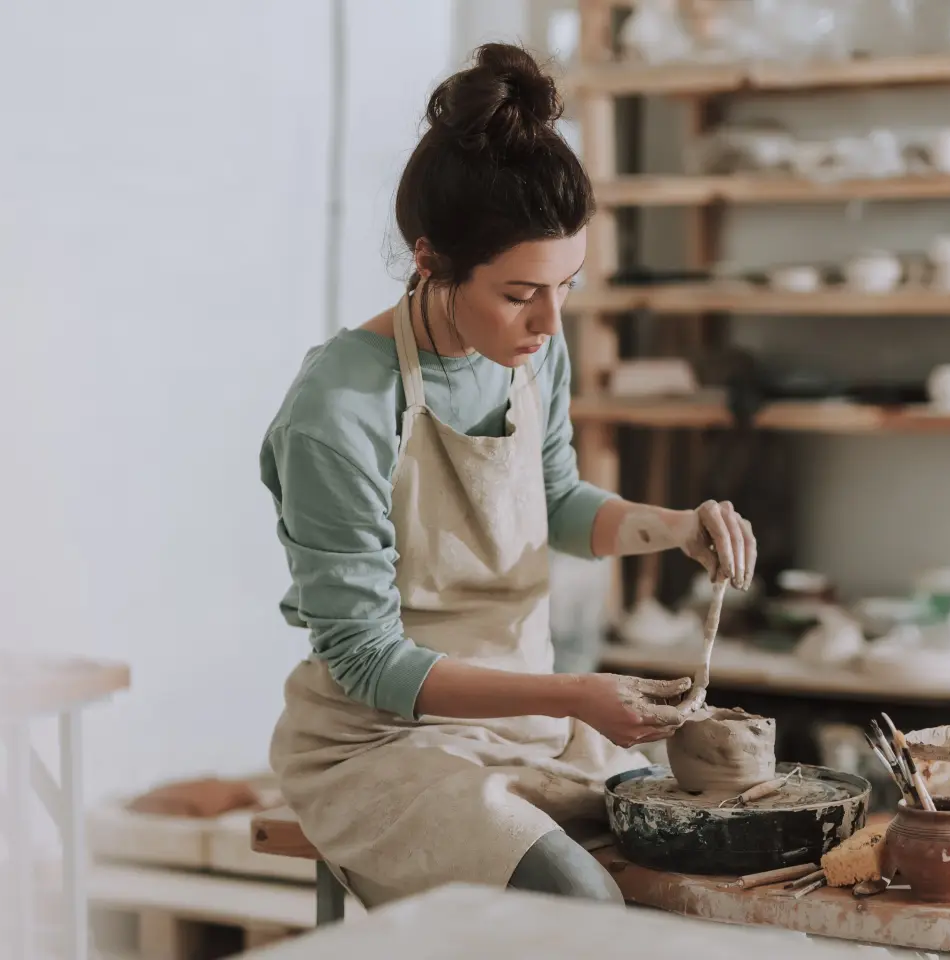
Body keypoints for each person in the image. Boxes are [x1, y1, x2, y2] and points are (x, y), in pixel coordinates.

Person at [260, 43, 758, 908]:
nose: (550, 321)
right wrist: (576, 693)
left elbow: (557, 502)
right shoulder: (338, 407)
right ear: (431, 261)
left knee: (704, 866)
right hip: (383, 745)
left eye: (568, 283)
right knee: (581, 898)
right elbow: (368, 659)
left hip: (533, 726)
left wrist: (672, 525)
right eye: (521, 292)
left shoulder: (534, 352)